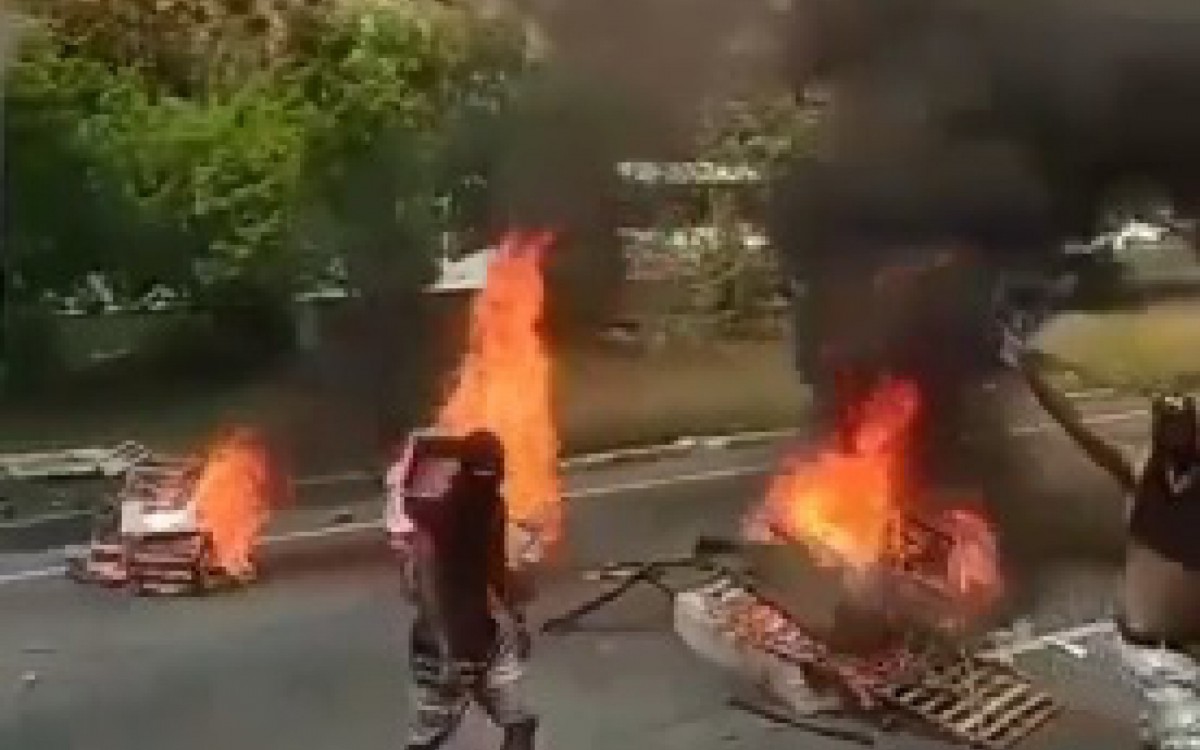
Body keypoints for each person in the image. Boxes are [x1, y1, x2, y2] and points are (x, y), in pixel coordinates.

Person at [1002, 327, 1200, 749]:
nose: (1177, 430)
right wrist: (1031, 372)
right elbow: (1077, 424)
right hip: (1157, 656)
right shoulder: (1139, 472)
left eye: (1184, 421)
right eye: (1168, 422)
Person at [401, 430, 538, 750]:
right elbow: (428, 590)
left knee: (520, 724)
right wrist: (447, 651)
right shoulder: (436, 520)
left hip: (486, 636)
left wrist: (515, 621)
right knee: (426, 740)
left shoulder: (491, 508)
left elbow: (494, 571)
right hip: (443, 647)